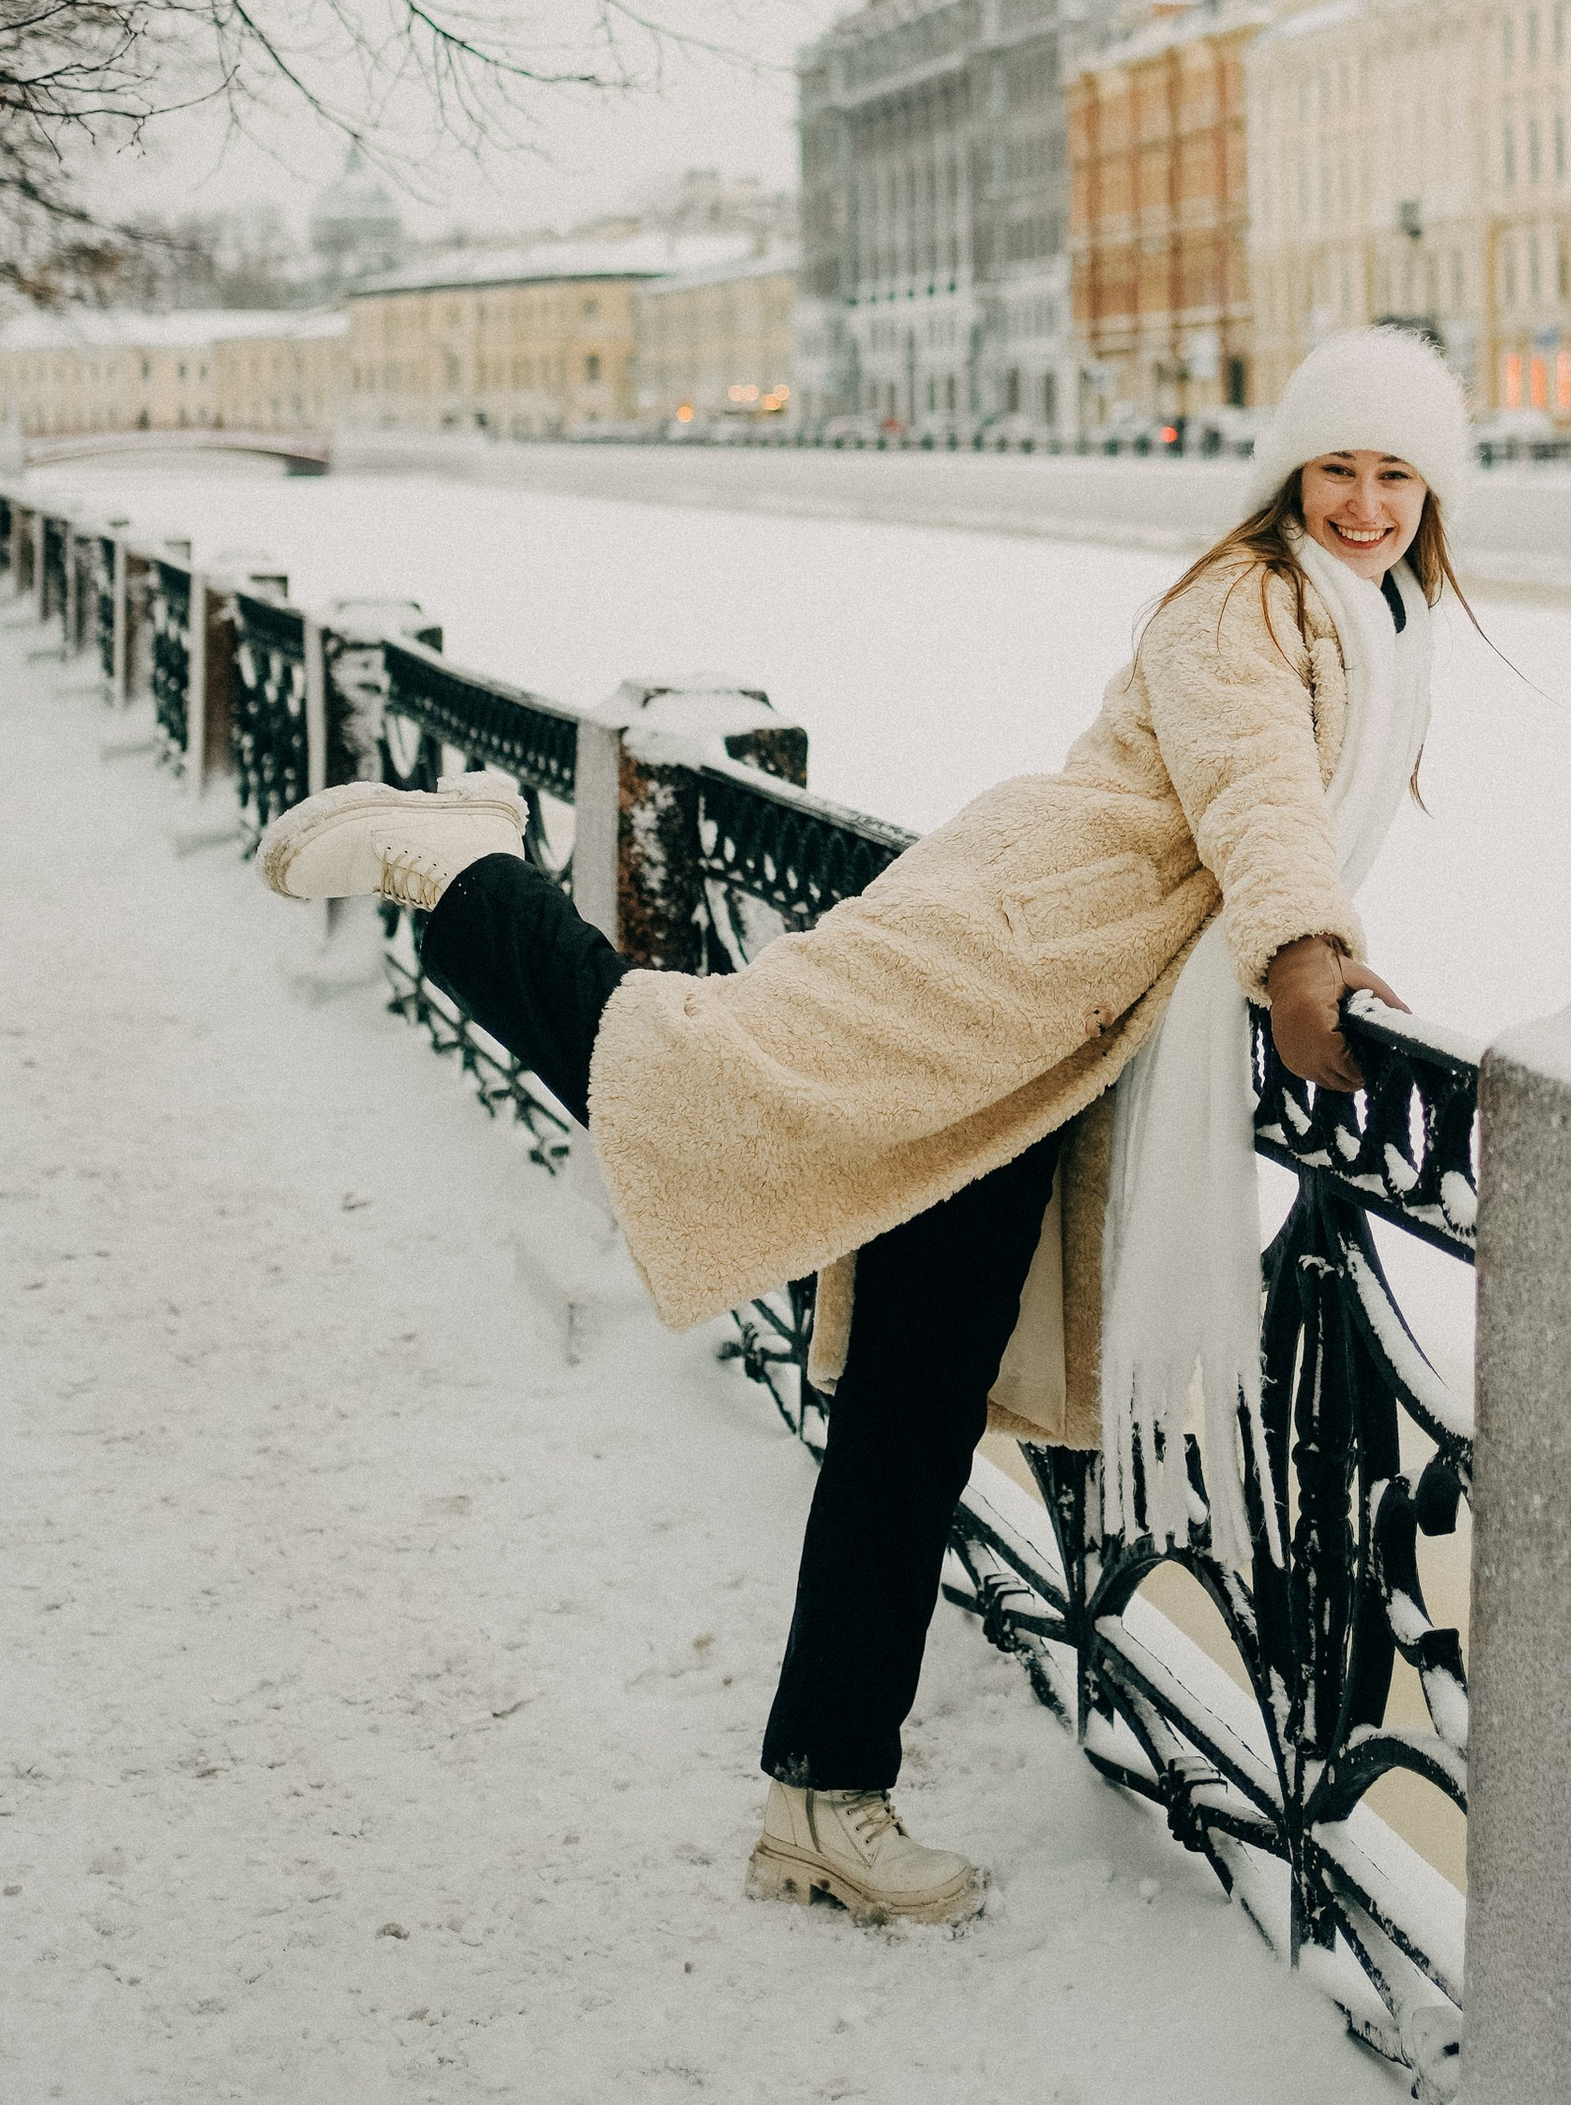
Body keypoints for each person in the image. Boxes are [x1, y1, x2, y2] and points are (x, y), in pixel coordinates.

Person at [257, 326, 1472, 1927]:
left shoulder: (1374, 624)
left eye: (1399, 473)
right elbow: (1256, 793)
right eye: (1341, 467)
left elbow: (1264, 817)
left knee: (911, 1409)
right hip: (997, 960)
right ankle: (468, 869)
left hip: (1053, 1036)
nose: (1368, 501)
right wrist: (1307, 961)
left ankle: (823, 1796)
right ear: (1287, 477)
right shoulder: (1240, 603)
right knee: (691, 1076)